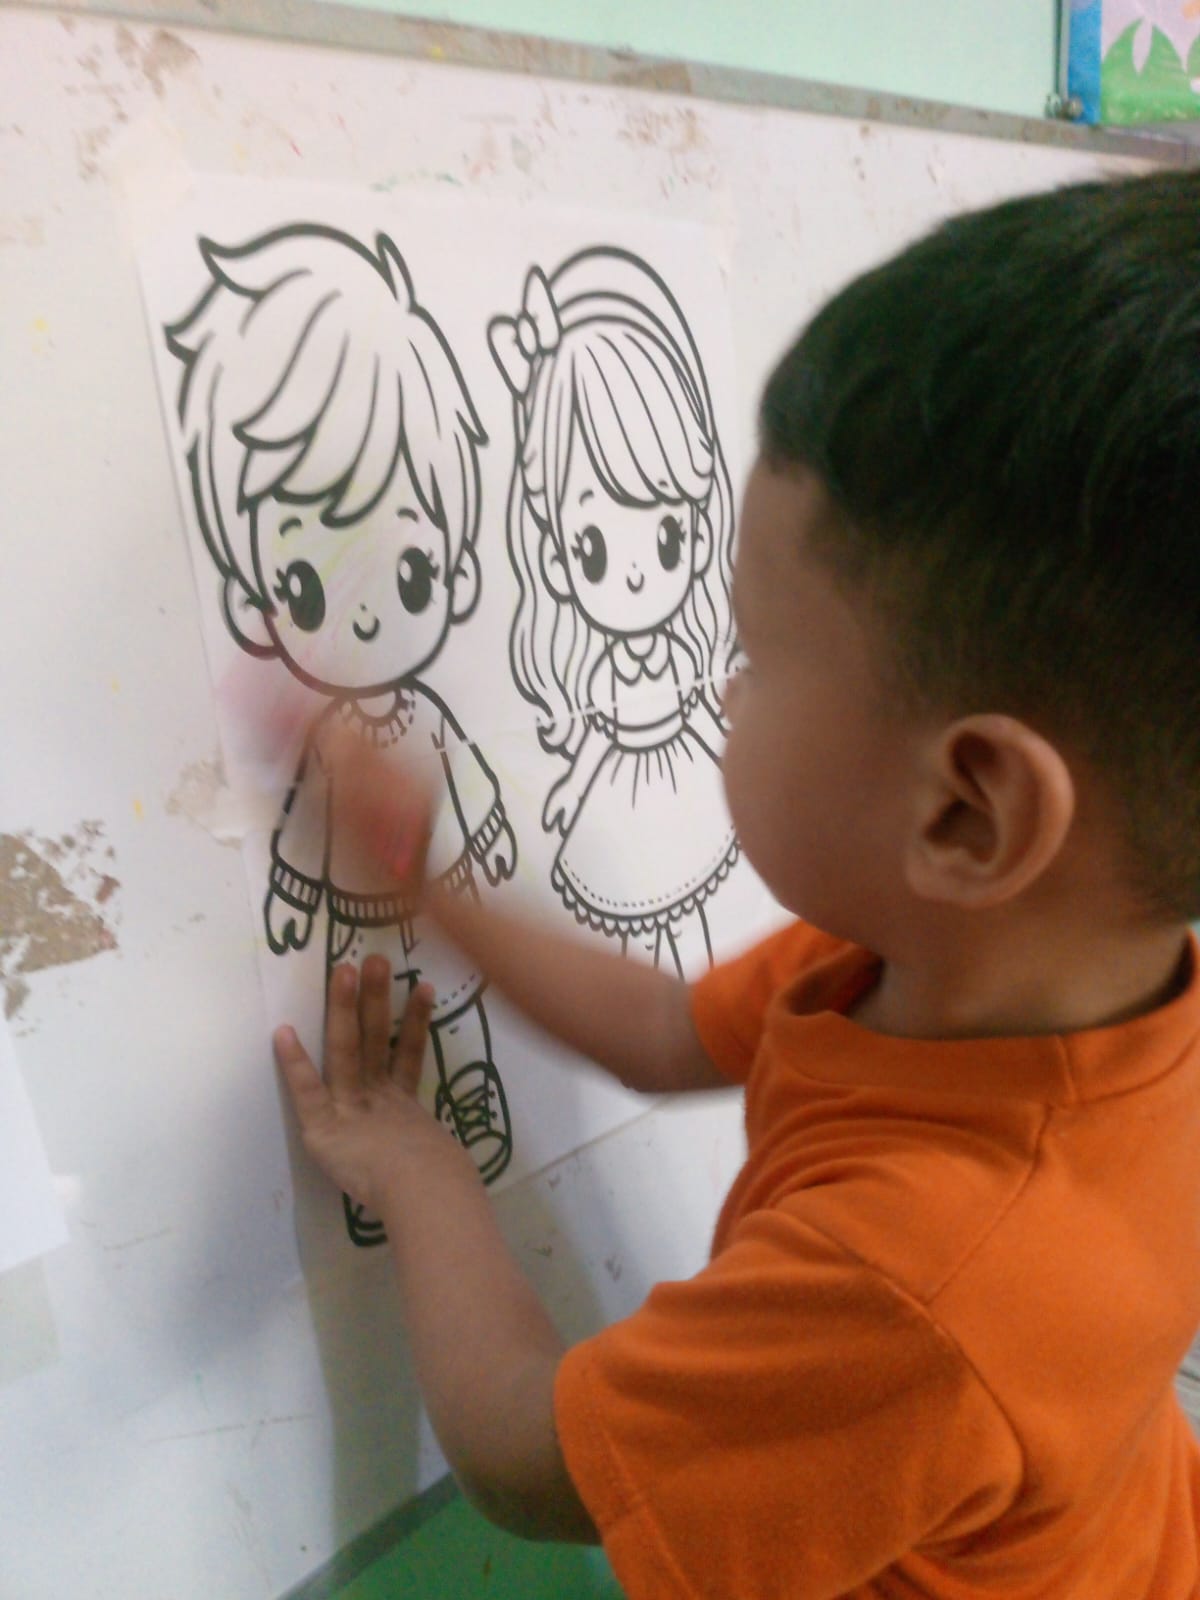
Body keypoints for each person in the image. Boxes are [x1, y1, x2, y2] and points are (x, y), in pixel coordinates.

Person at [273, 168, 1200, 1597]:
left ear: (968, 811)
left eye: (757, 653)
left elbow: (525, 1453)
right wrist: (431, 887)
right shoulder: (985, 970)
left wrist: (417, 1164)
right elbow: (663, 1029)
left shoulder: (918, 1286)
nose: (719, 689)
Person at [166, 224, 518, 1245]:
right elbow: (296, 832)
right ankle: (391, 1165)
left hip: (415, 916)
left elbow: (464, 778)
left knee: (445, 1011)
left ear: (452, 565)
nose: (362, 620)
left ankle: (471, 1096)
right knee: (373, 1019)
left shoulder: (425, 719)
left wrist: (477, 846)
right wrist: (290, 890)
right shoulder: (324, 743)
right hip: (361, 929)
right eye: (310, 586)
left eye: (406, 572)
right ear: (255, 594)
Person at [489, 249, 740, 973]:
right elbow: (598, 738)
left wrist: (736, 754)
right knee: (636, 924)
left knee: (694, 926)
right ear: (559, 564)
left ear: (697, 536)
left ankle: (696, 1004)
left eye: (665, 538)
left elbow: (701, 718)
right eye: (594, 549)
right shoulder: (601, 677)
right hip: (624, 802)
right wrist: (572, 787)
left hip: (683, 788)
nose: (633, 576)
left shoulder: (684, 658)